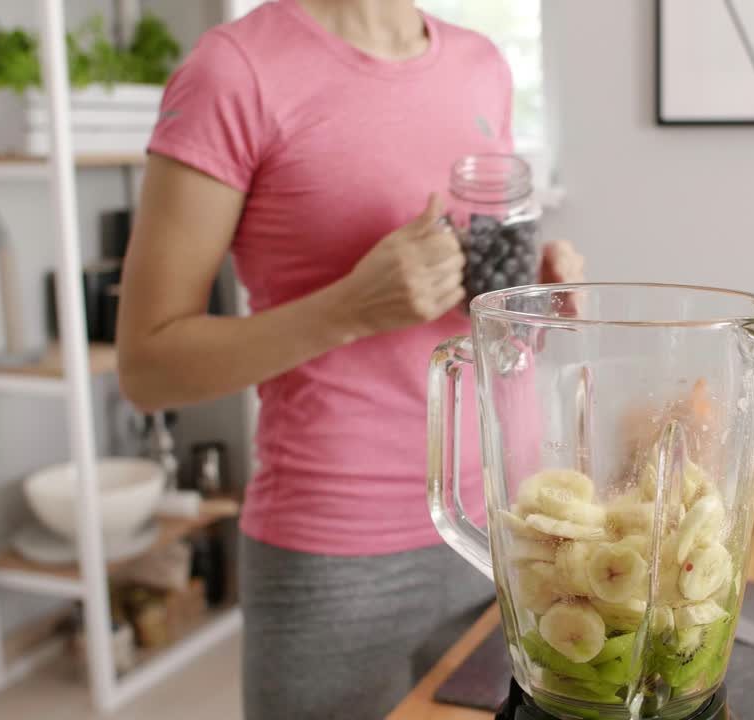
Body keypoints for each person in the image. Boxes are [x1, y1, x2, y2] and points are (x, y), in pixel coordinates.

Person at [115, 1, 584, 717]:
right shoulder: (234, 71)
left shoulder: (480, 63)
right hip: (337, 558)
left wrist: (526, 292)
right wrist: (348, 308)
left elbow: (469, 282)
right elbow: (146, 367)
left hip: (505, 526)